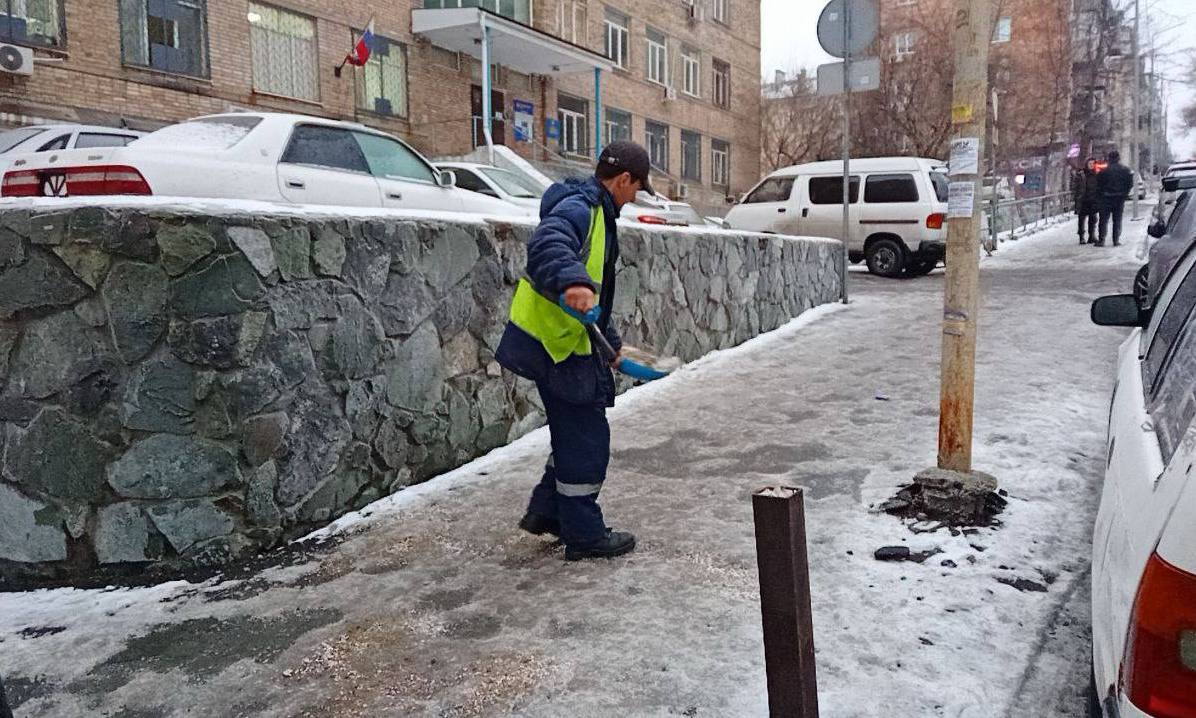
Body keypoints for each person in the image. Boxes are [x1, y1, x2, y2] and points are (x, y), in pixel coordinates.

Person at [495, 140, 653, 561]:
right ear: (623, 180)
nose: (634, 197)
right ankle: (584, 535)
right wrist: (573, 281)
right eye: (636, 187)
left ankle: (549, 513)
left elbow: (591, 305)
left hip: (559, 342)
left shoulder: (595, 211)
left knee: (572, 432)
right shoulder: (582, 209)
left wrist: (613, 348)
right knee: (586, 438)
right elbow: (549, 243)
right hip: (557, 347)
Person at [1096, 149, 1134, 247]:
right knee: (1117, 220)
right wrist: (1125, 194)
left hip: (1106, 198)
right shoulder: (1125, 170)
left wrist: (1101, 195)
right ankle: (1116, 240)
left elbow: (1098, 185)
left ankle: (1101, 240)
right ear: (1118, 158)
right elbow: (1130, 184)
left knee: (1103, 220)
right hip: (1119, 198)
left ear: (1109, 158)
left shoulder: (1103, 171)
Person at [1074, 159, 1101, 244]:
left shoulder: (1096, 174)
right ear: (1086, 164)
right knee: (1081, 219)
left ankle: (1091, 236)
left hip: (1093, 199)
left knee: (1093, 219)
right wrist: (1076, 196)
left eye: (1093, 163)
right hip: (1083, 200)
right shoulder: (1081, 174)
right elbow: (1075, 186)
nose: (1092, 165)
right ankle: (1081, 237)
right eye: (1090, 163)